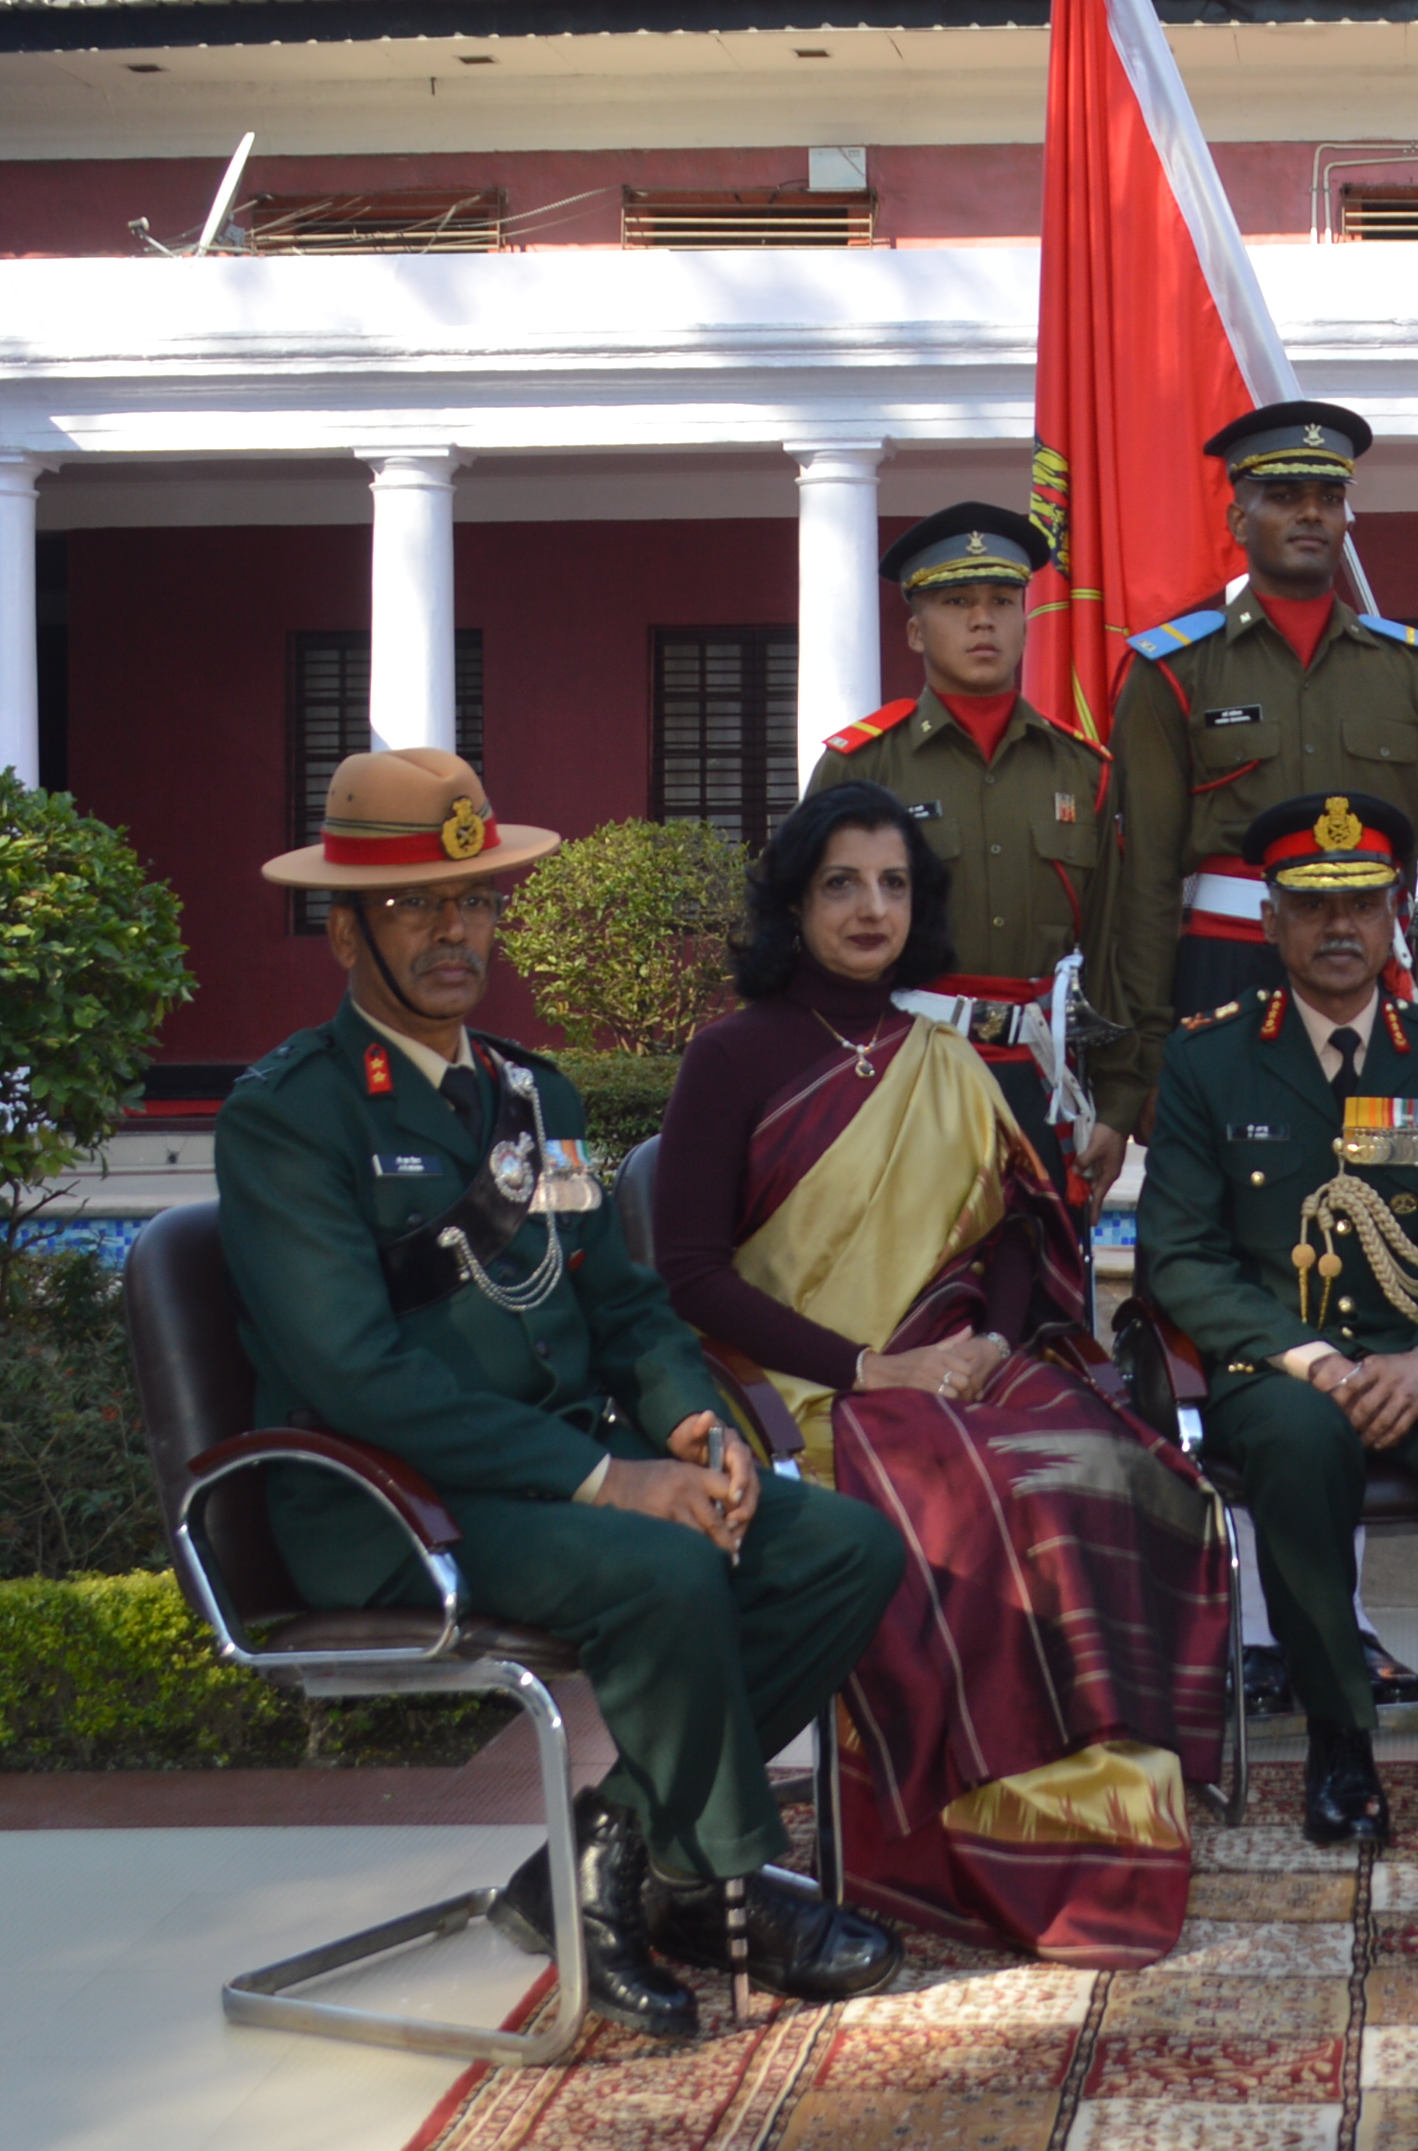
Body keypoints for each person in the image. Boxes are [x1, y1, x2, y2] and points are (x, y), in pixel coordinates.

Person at [216, 747, 908, 2042]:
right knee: (663, 1570)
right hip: (395, 1506)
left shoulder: (538, 1096)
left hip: (561, 1466)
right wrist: (618, 1482)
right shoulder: (291, 1119)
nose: (453, 930)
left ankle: (610, 1862)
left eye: (472, 899)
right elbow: (353, 1372)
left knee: (842, 1548)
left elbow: (627, 1305)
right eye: (416, 902)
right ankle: (727, 1887)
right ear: (344, 924)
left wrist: (690, 1423)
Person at [643, 782, 1231, 1968]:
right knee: (978, 1501)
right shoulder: (730, 1057)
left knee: (1112, 1470)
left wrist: (989, 1351)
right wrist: (875, 1365)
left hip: (962, 1362)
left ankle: (1112, 1818)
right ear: (794, 902)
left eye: (895, 884)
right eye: (843, 885)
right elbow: (692, 1276)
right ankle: (956, 1841)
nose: (872, 909)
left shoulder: (948, 1060)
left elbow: (1010, 1235)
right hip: (805, 1389)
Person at [1132, 791, 1418, 1847]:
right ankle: (1340, 1739)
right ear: (1270, 921)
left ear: (1393, 922)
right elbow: (1178, 1257)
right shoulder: (1208, 1060)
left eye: (1364, 906)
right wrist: (1315, 1362)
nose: (1340, 930)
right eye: (1313, 908)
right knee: (1296, 1443)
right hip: (1282, 1376)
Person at [1091, 401, 1418, 1148]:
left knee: (1387, 1202)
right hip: (1225, 973)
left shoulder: (1414, 673)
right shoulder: (1173, 669)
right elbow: (1141, 883)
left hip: (1378, 979)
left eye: (1330, 499)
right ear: (1240, 522)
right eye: (1285, 497)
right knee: (1238, 1202)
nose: (1312, 516)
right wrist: (1139, 1060)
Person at [809, 503, 1115, 1170]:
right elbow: (805, 941)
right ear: (916, 632)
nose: (983, 619)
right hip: (898, 1068)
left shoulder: (1082, 769)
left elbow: (1117, 947)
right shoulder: (861, 764)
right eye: (957, 601)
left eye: (1003, 601)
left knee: (1041, 1267)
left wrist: (1118, 1105)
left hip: (1043, 1077)